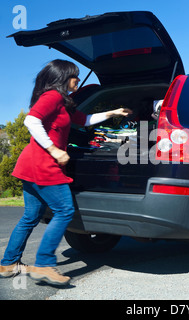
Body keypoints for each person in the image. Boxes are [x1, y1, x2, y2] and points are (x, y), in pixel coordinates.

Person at [0, 59, 132, 286]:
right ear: (62, 77)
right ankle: (43, 264)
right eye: (75, 76)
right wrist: (53, 149)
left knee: (30, 217)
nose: (78, 80)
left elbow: (84, 121)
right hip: (44, 165)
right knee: (64, 210)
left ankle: (9, 264)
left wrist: (113, 112)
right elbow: (31, 120)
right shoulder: (52, 96)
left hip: (30, 166)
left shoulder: (63, 103)